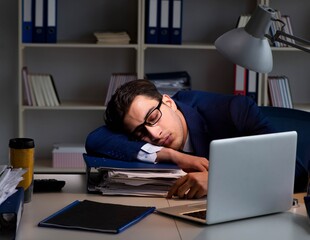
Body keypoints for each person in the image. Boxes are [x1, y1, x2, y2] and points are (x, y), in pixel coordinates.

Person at [86, 79, 275, 199]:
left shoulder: (234, 110)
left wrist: (221, 179)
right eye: (140, 133)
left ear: (169, 102)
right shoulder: (149, 129)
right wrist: (171, 155)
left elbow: (291, 167)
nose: (154, 134)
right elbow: (95, 139)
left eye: (153, 118)